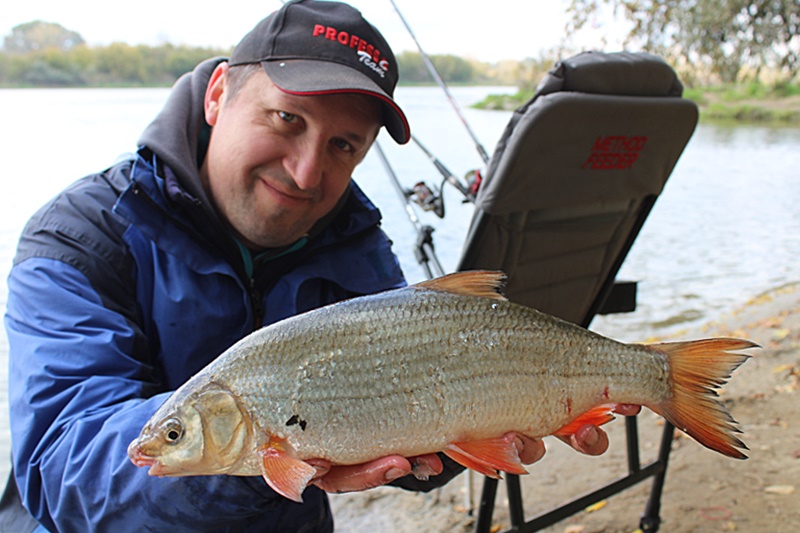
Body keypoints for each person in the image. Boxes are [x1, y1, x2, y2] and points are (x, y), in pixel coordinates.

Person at [0, 1, 639, 531]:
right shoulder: (79, 238)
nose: (307, 172)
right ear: (219, 94)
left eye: (343, 145)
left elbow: (407, 432)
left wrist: (491, 414)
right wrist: (252, 464)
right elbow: (63, 470)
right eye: (287, 119)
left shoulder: (356, 244)